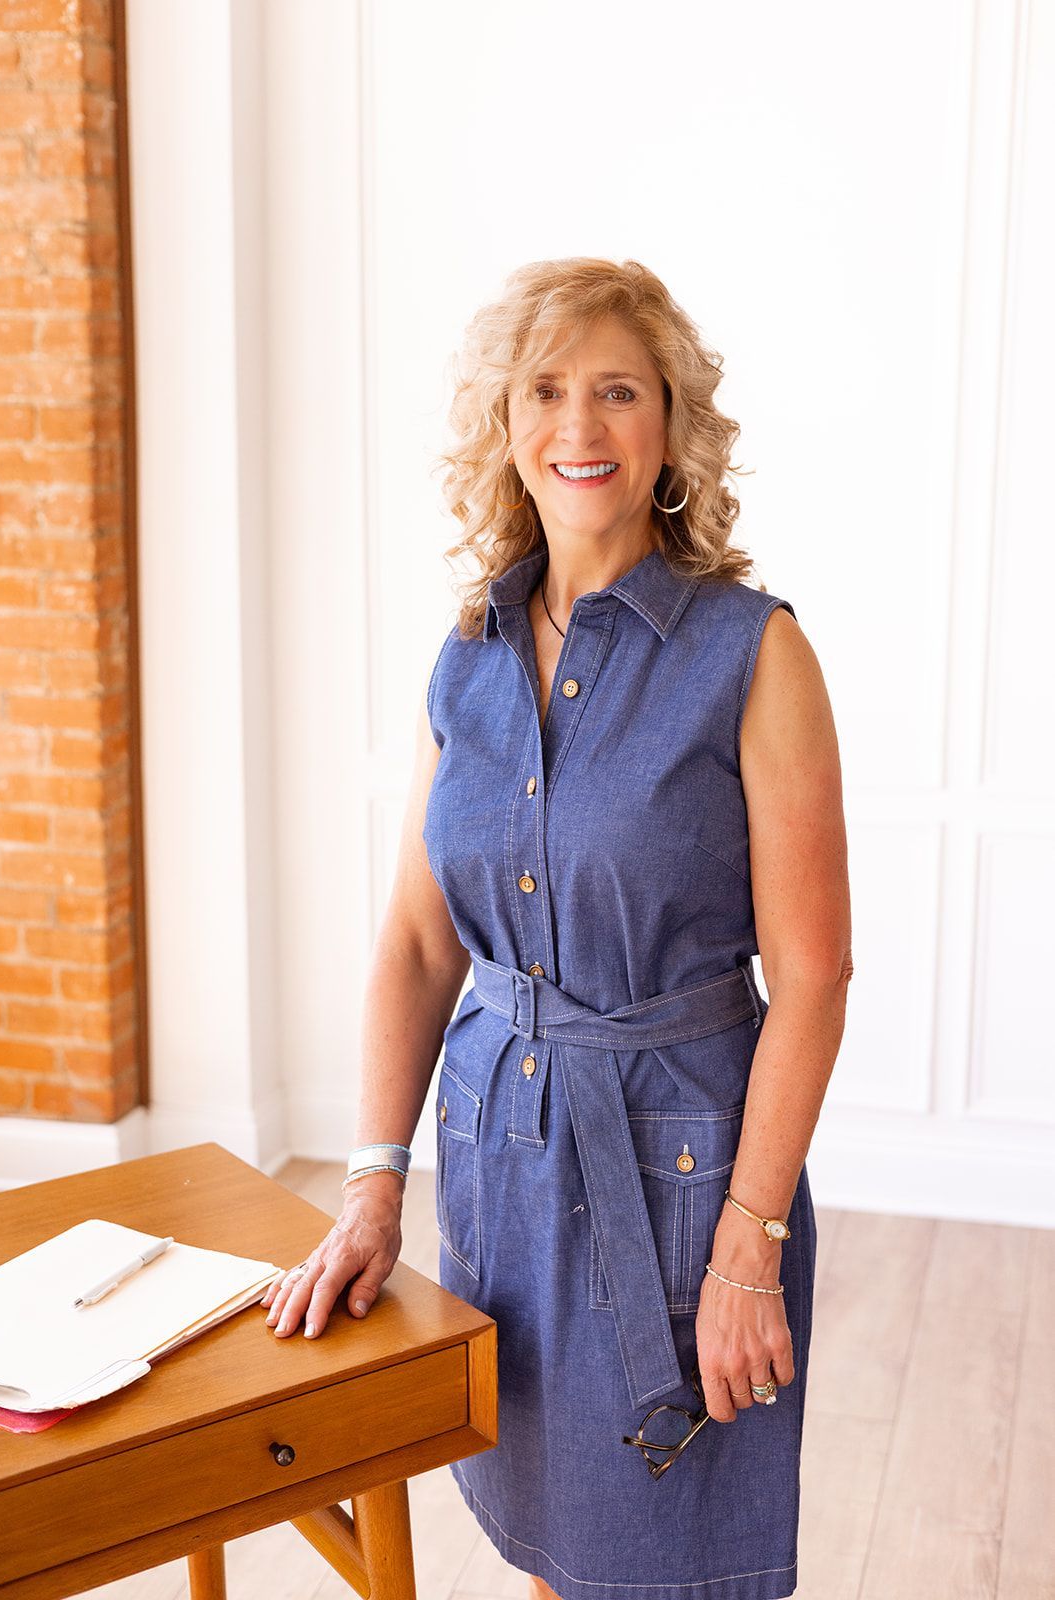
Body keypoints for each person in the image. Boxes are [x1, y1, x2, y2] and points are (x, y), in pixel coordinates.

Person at [262, 257, 852, 1600]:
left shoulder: (754, 654)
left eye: (618, 392)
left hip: (692, 1177)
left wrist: (751, 1243)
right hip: (501, 1163)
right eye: (546, 391)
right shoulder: (464, 654)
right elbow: (421, 943)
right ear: (506, 425)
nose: (579, 428)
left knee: (673, 1559)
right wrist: (370, 1188)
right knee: (552, 1549)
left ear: (670, 432)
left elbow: (814, 973)